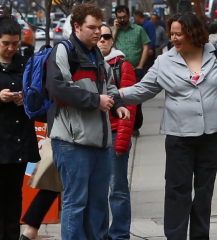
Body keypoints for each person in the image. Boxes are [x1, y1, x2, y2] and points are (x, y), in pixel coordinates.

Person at [119, 13, 217, 240]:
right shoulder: (165, 61)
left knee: (205, 190)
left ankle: (199, 236)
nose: (173, 38)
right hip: (179, 136)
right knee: (177, 190)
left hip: (214, 134)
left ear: (193, 33)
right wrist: (115, 96)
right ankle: (175, 237)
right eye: (171, 34)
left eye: (178, 33)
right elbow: (143, 89)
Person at [46, 4, 130, 240]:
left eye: (99, 28)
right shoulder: (63, 51)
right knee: (76, 204)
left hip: (99, 143)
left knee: (97, 205)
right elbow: (58, 89)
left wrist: (119, 105)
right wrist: (95, 101)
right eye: (91, 28)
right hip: (72, 143)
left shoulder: (96, 54)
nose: (97, 33)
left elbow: (109, 87)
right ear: (76, 27)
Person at [0, 14, 40, 240]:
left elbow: (38, 94)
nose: (11, 48)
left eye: (15, 43)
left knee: (14, 197)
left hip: (19, 141)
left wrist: (26, 98)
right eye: (6, 43)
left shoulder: (25, 64)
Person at [98, 24, 136, 240]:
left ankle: (120, 235)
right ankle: (102, 234)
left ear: (112, 41)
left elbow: (129, 107)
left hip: (114, 134)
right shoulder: (88, 64)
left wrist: (122, 140)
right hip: (94, 136)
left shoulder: (123, 66)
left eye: (106, 37)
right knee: (98, 192)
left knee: (118, 190)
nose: (102, 40)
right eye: (99, 37)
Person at [112, 5, 150, 137]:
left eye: (124, 17)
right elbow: (108, 45)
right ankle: (122, 126)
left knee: (136, 99)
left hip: (135, 69)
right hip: (119, 70)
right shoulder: (113, 31)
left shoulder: (139, 30)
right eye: (119, 17)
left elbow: (145, 46)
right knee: (120, 98)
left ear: (129, 16)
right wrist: (115, 30)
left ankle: (135, 125)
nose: (122, 19)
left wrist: (140, 65)